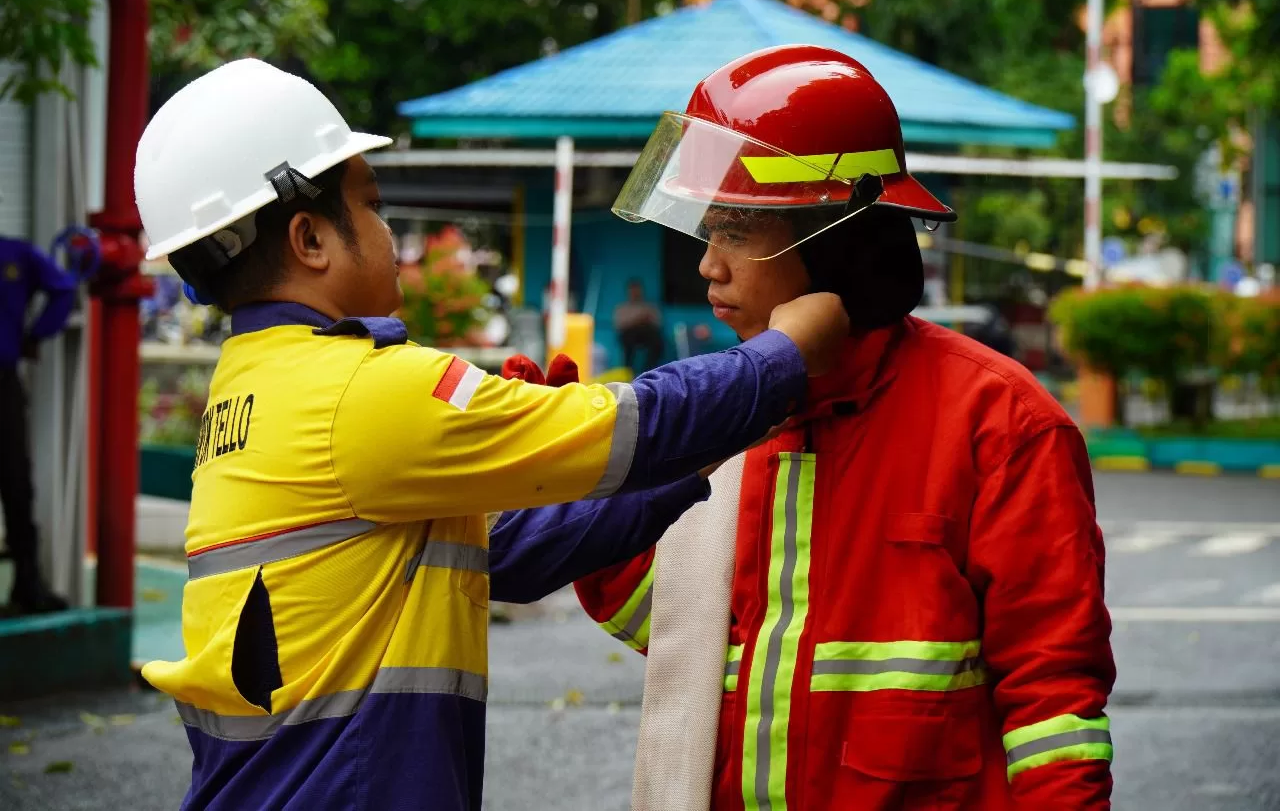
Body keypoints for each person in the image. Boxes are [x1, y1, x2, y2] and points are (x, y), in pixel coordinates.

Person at [131, 58, 849, 811]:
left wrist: (717, 439)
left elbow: (514, 550)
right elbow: (638, 423)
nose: (389, 230)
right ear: (311, 240)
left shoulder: (251, 388)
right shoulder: (362, 391)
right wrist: (783, 358)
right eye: (372, 205)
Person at [575, 45, 1116, 810]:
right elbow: (689, 631)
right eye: (707, 232)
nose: (707, 267)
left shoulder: (1001, 424)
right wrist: (586, 490)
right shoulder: (731, 413)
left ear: (833, 239)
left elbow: (1054, 709)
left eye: (736, 232)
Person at [0, 234, 75, 615]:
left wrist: (37, 333)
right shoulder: (16, 254)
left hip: (4, 381)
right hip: (5, 382)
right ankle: (28, 584)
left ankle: (27, 584)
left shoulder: (17, 254)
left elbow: (63, 289)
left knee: (16, 483)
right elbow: (63, 288)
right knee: (15, 481)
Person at [614, 278, 664, 371]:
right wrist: (638, 320)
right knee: (628, 338)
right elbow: (619, 326)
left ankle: (649, 370)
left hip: (647, 334)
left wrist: (645, 320)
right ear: (628, 292)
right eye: (632, 290)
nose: (635, 293)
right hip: (629, 335)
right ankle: (627, 370)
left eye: (637, 290)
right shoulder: (622, 308)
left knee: (657, 340)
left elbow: (658, 324)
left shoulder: (650, 307)